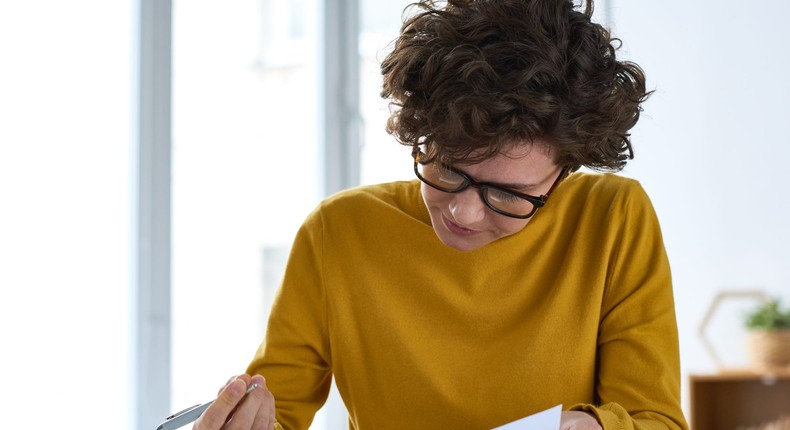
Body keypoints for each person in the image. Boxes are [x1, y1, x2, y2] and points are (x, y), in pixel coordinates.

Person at [196, 0, 688, 429]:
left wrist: (594, 426)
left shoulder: (613, 219)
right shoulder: (338, 232)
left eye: (508, 195)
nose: (464, 212)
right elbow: (275, 413)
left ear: (563, 173)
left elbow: (657, 420)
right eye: (449, 169)